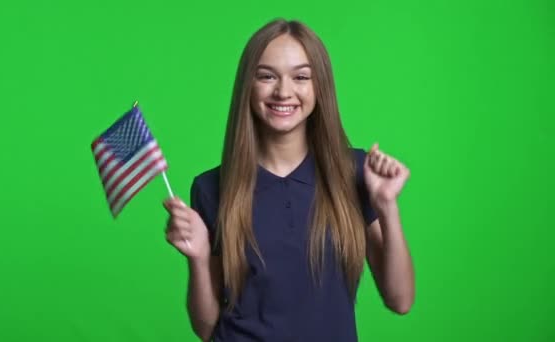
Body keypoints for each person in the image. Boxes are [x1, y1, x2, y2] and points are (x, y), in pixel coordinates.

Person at [163, 18, 415, 342]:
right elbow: (206, 327)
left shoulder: (353, 171)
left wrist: (387, 206)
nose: (284, 91)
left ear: (319, 86)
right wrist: (198, 258)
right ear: (248, 86)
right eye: (267, 76)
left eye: (301, 77)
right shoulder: (211, 188)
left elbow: (401, 299)